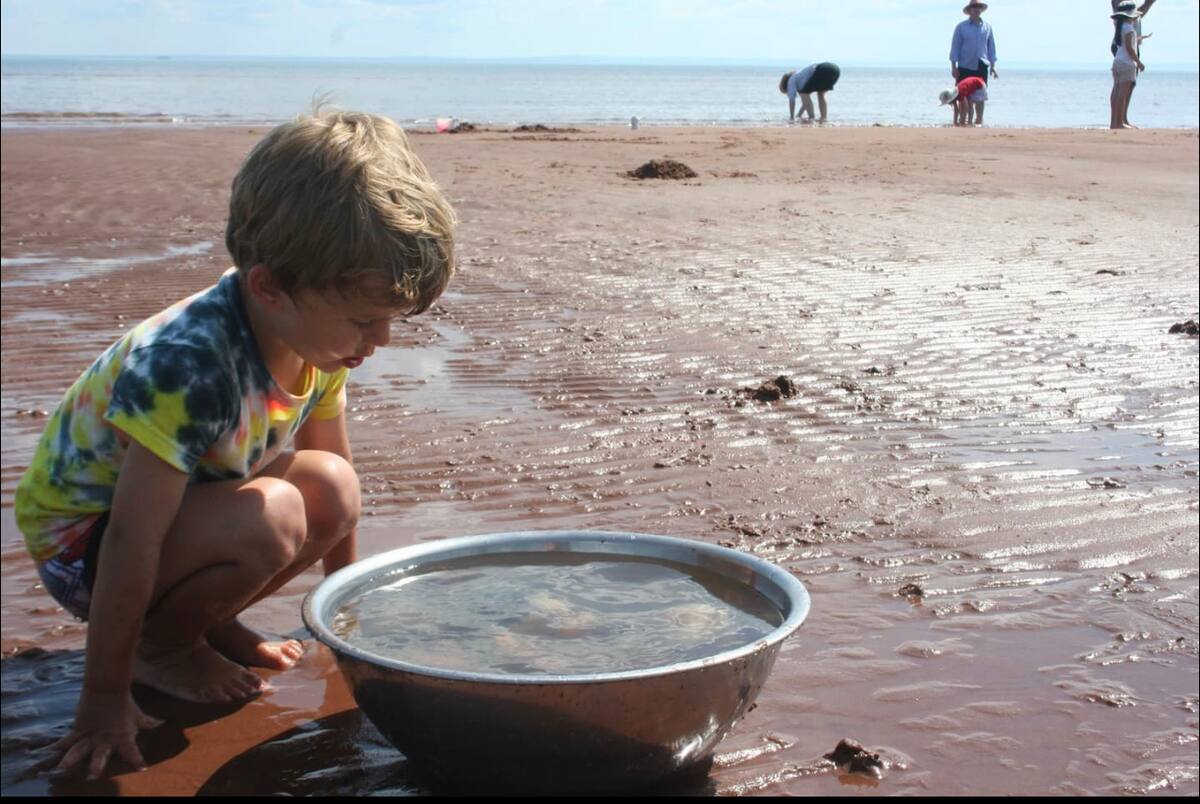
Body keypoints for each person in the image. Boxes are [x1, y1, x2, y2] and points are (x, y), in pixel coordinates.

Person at [15, 109, 457, 779]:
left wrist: (347, 630)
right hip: (87, 544)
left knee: (333, 488)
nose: (383, 341)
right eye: (366, 320)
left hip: (188, 511)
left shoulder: (315, 343)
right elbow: (134, 538)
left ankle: (198, 626)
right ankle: (157, 647)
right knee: (275, 514)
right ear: (269, 288)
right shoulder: (187, 364)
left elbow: (336, 476)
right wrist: (102, 698)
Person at [1110, 0, 1156, 128]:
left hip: (1118, 61)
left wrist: (1140, 38)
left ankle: (1115, 122)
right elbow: (1130, 48)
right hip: (1127, 62)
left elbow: (1127, 42)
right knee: (1122, 93)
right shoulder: (1128, 27)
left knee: (1117, 91)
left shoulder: (1121, 25)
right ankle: (1119, 122)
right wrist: (1139, 63)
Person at [949, 1, 998, 121]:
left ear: (981, 9)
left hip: (981, 65)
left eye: (979, 7)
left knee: (980, 96)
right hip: (965, 65)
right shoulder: (961, 27)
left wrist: (993, 65)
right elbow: (955, 47)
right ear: (969, 10)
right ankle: (964, 120)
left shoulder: (987, 27)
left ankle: (979, 121)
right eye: (974, 7)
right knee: (963, 96)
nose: (977, 9)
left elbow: (991, 47)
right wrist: (953, 67)